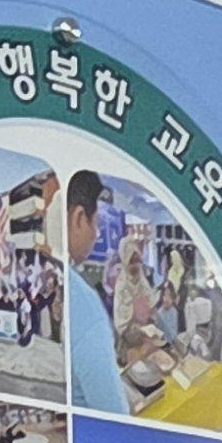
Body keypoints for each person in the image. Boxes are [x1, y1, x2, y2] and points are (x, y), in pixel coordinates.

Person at [61, 172, 127, 416]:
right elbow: (114, 416)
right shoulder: (85, 306)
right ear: (79, 218)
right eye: (96, 223)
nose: (97, 233)